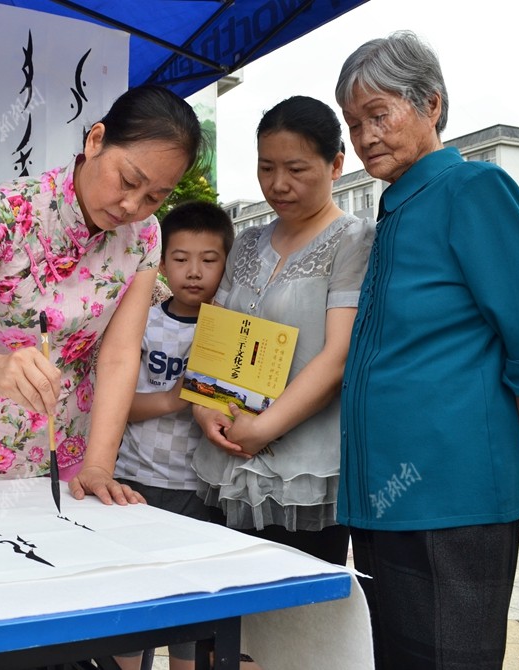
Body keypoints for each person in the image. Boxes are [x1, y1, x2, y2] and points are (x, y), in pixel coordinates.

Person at [335, 30, 519, 668]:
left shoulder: (473, 191)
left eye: (379, 115)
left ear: (430, 105)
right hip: (384, 496)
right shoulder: (395, 211)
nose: (365, 137)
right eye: (354, 123)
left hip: (453, 492)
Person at [0, 84, 204, 505]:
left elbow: (120, 355)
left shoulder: (143, 236)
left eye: (155, 196)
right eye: (128, 180)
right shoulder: (8, 212)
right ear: (96, 140)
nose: (130, 206)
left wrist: (99, 465)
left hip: (69, 446)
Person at [191, 96, 376, 564]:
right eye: (266, 167)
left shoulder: (354, 240)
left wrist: (264, 428)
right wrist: (204, 407)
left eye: (296, 169)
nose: (278, 184)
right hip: (228, 456)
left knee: (296, 615)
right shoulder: (248, 241)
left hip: (304, 468)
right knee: (226, 617)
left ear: (335, 165)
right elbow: (217, 334)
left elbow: (338, 355)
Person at [112, 200, 234, 670]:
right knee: (134, 596)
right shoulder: (142, 321)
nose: (194, 272)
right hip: (134, 481)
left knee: (188, 600)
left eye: (209, 260)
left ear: (227, 261)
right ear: (161, 263)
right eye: (180, 259)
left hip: (198, 487)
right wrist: (172, 399)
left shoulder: (233, 330)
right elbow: (116, 406)